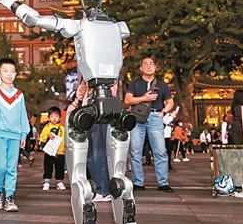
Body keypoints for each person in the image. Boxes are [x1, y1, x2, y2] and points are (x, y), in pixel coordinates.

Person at [125, 57, 175, 192]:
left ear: (155, 67)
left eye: (151, 63)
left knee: (160, 151)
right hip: (137, 118)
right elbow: (127, 101)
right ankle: (138, 183)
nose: (148, 66)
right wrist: (144, 98)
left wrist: (163, 112)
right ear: (141, 68)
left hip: (155, 117)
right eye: (145, 64)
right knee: (135, 152)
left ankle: (163, 183)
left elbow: (170, 102)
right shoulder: (134, 83)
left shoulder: (162, 84)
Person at [0, 58, 28, 211]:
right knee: (0, 167)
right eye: (5, 71)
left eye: (12, 71)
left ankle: (10, 197)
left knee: (11, 168)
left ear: (16, 74)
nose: (9, 74)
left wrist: (24, 134)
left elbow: (23, 115)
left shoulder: (19, 94)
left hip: (15, 136)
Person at [68, 80, 113, 201]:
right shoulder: (88, 79)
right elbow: (79, 95)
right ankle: (97, 188)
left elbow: (112, 95)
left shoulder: (107, 79)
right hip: (87, 116)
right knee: (90, 156)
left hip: (100, 115)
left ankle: (103, 190)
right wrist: (83, 85)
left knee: (99, 154)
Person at [39, 106, 66, 190]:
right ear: (49, 117)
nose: (54, 118)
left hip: (60, 152)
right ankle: (47, 182)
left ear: (60, 117)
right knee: (48, 167)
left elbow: (65, 139)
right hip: (49, 152)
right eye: (52, 116)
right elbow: (42, 138)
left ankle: (59, 182)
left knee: (60, 168)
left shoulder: (62, 128)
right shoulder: (47, 127)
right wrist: (48, 135)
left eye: (56, 116)